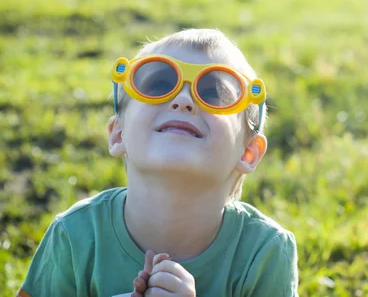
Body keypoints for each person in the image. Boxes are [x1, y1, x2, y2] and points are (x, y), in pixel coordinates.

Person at [18, 29, 299, 297]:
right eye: (159, 85)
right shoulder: (75, 235)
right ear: (118, 133)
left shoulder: (265, 252)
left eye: (213, 93)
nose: (183, 99)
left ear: (248, 152)